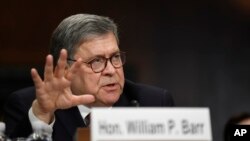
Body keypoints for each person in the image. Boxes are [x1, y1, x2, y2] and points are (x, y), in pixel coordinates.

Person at [3, 13, 174, 141]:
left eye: (115, 57)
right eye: (96, 61)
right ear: (64, 69)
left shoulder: (153, 103)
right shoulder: (29, 105)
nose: (111, 70)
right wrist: (42, 115)